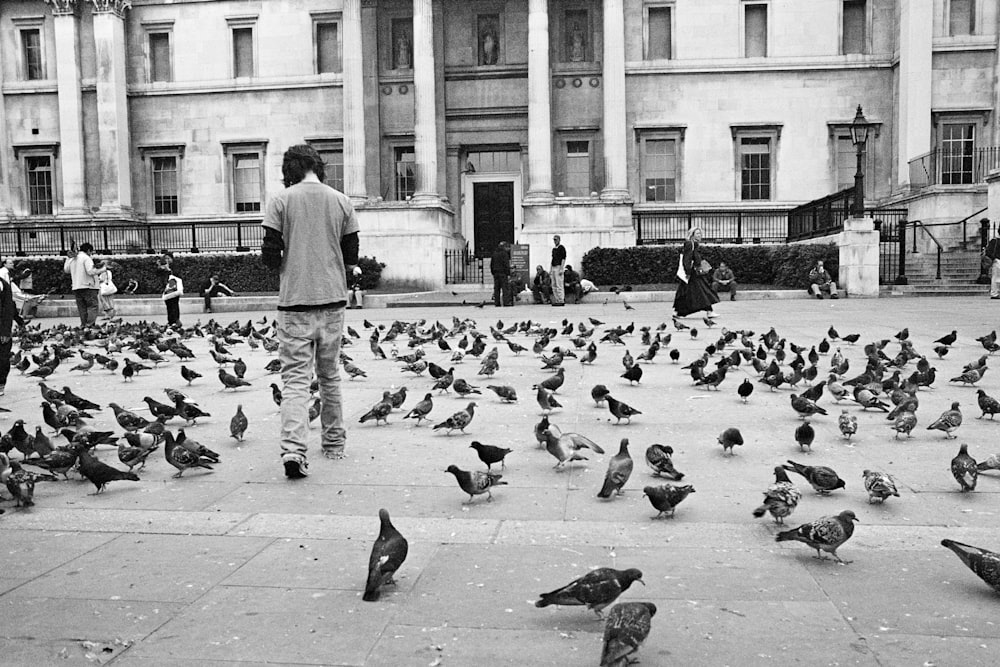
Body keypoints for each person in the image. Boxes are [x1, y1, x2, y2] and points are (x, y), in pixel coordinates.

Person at [262, 143, 360, 479]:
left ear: (290, 169)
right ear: (318, 166)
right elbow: (351, 256)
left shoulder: (280, 201)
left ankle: (293, 450)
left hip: (294, 303)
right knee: (330, 375)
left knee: (295, 382)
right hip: (332, 300)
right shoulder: (341, 200)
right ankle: (334, 444)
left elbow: (269, 257)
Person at [673, 227, 719, 317]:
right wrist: (688, 272)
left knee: (687, 292)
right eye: (697, 233)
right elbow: (687, 259)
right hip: (692, 273)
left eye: (700, 233)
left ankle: (678, 311)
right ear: (692, 235)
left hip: (693, 272)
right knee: (702, 291)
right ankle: (709, 311)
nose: (700, 235)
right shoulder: (690, 244)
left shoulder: (694, 244)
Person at [62, 241, 103, 327]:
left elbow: (66, 270)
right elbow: (91, 271)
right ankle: (90, 325)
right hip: (88, 286)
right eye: (91, 252)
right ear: (88, 250)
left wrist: (68, 258)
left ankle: (83, 325)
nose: (91, 254)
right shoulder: (86, 258)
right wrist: (103, 269)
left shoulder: (73, 258)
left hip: (76, 286)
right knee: (92, 306)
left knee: (82, 308)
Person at [0, 269, 26, 396]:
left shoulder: (3, 285)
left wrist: (5, 331)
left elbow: (9, 309)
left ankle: (1, 383)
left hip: (1, 329)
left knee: (3, 359)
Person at [491, 241, 512, 307]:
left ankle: (497, 303)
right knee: (505, 288)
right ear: (504, 247)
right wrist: (508, 274)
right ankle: (506, 302)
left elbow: (491, 264)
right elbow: (506, 264)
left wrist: (493, 272)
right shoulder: (504, 254)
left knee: (496, 289)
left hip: (496, 273)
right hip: (503, 273)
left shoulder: (494, 253)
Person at [550, 235, 567, 306]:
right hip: (553, 267)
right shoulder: (554, 249)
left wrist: (561, 268)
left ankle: (561, 299)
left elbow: (563, 258)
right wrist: (550, 269)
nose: (555, 241)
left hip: (558, 267)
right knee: (553, 284)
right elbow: (552, 259)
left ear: (559, 240)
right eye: (554, 240)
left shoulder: (561, 248)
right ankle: (557, 299)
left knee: (559, 284)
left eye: (556, 240)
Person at [984, 231, 1000, 299]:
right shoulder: (995, 241)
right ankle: (994, 293)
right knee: (996, 278)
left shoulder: (994, 240)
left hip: (996, 260)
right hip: (997, 260)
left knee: (995, 277)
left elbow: (988, 251)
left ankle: (994, 293)